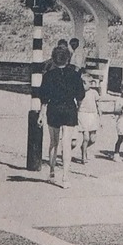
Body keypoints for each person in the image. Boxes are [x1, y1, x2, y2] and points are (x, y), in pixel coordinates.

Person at [37, 44, 86, 187]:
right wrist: (78, 108)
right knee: (66, 143)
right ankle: (65, 177)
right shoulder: (75, 75)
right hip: (70, 109)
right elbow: (81, 96)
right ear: (68, 59)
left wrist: (41, 114)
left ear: (53, 59)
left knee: (53, 142)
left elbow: (44, 98)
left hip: (54, 108)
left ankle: (52, 173)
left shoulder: (48, 76)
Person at [77, 68, 103, 164]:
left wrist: (100, 114)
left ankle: (83, 148)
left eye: (86, 83)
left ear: (91, 83)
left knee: (92, 139)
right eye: (82, 83)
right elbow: (78, 105)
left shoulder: (94, 93)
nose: (83, 85)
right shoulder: (80, 93)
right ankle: (84, 156)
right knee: (86, 137)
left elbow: (98, 104)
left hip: (93, 115)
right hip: (83, 115)